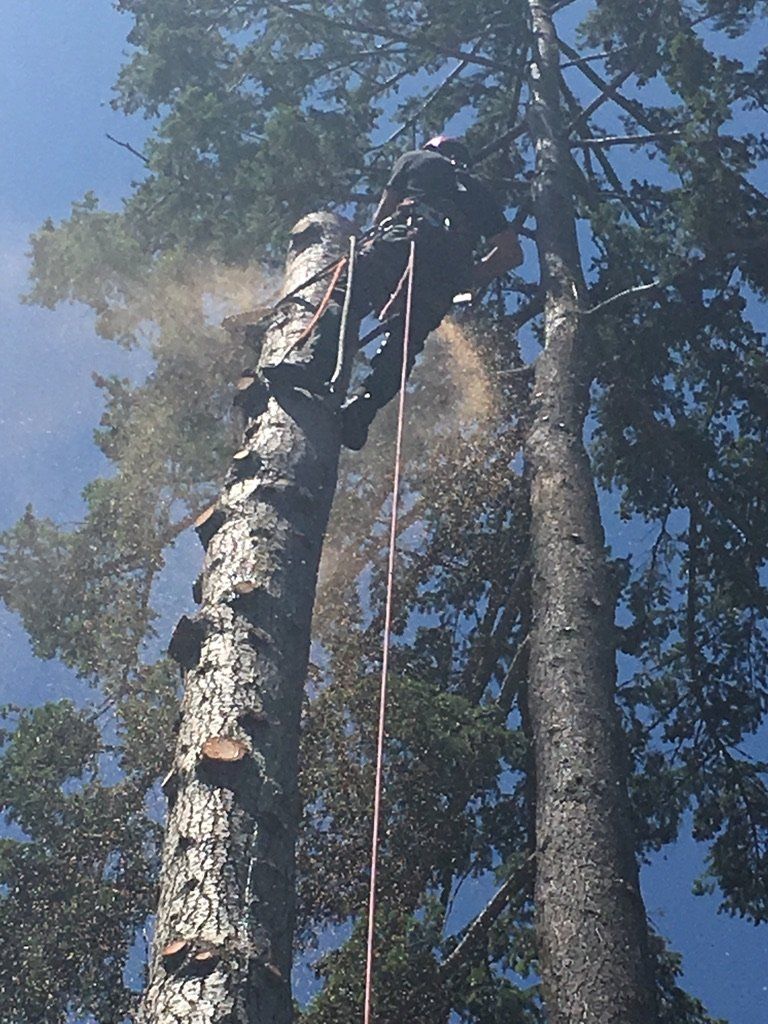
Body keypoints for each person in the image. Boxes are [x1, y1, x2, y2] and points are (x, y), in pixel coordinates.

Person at [264, 135, 523, 450]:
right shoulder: (480, 193)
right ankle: (362, 410)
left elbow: (383, 216)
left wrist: (368, 254)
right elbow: (510, 253)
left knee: (347, 294)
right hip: (444, 276)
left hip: (404, 241)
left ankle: (313, 365)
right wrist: (465, 278)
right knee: (404, 344)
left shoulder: (417, 159)